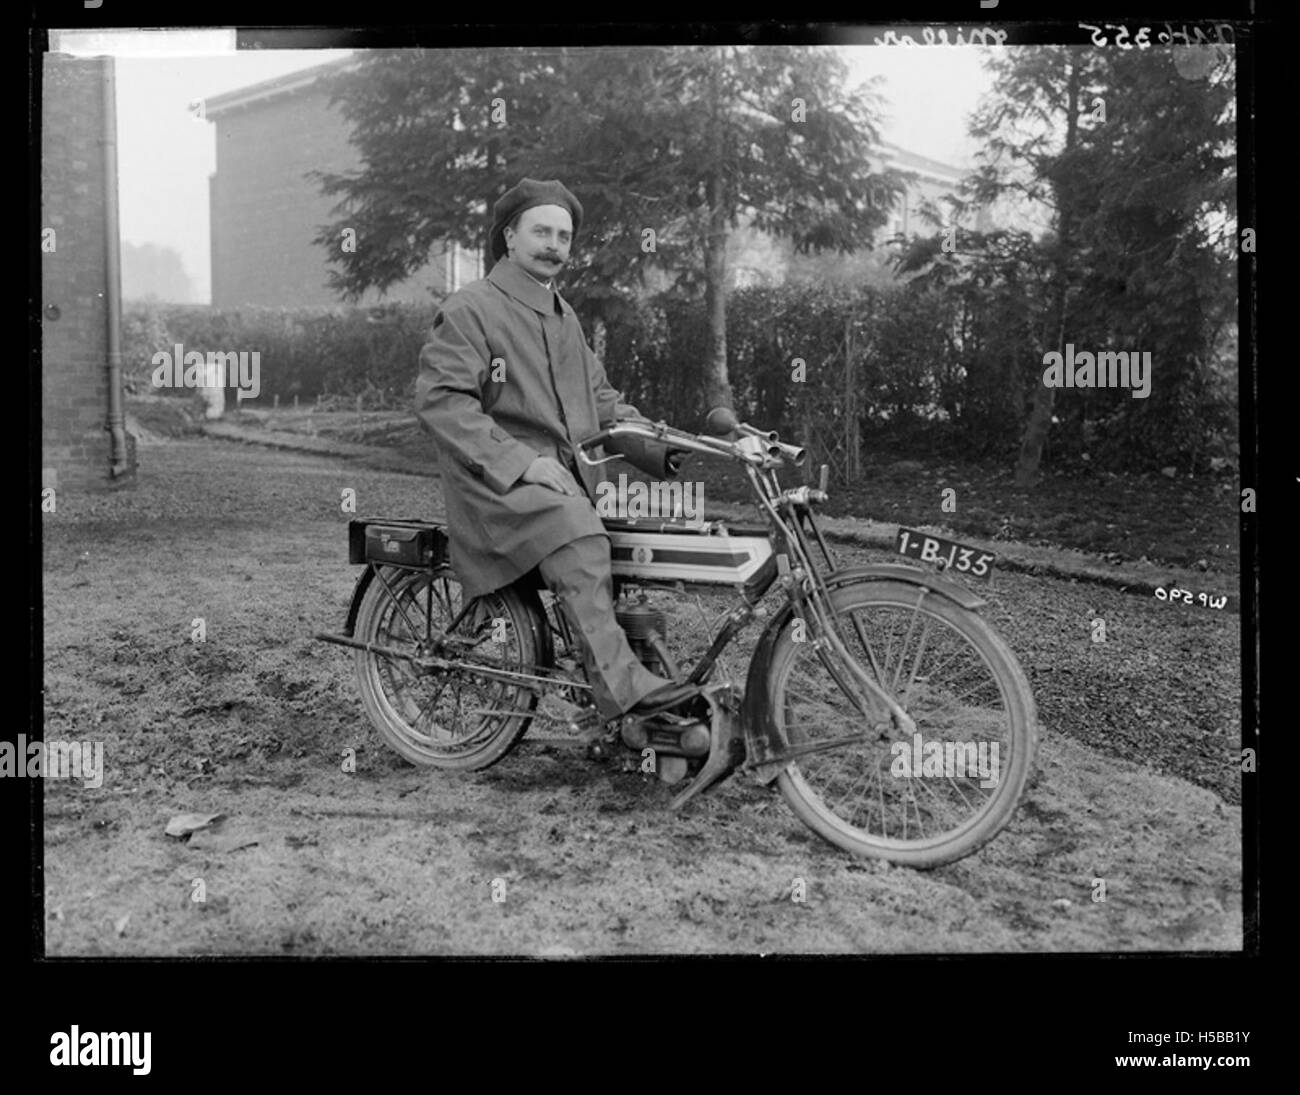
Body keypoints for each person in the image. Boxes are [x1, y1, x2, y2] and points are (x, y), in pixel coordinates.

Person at [414, 177, 697, 724]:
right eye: (541, 231)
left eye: (563, 237)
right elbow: (443, 403)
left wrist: (665, 445)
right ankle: (623, 690)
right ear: (509, 237)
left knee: (654, 537)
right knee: (580, 532)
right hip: (500, 489)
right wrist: (523, 462)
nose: (553, 245)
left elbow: (602, 402)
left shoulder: (564, 317)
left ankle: (613, 670)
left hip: (565, 484)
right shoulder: (471, 308)